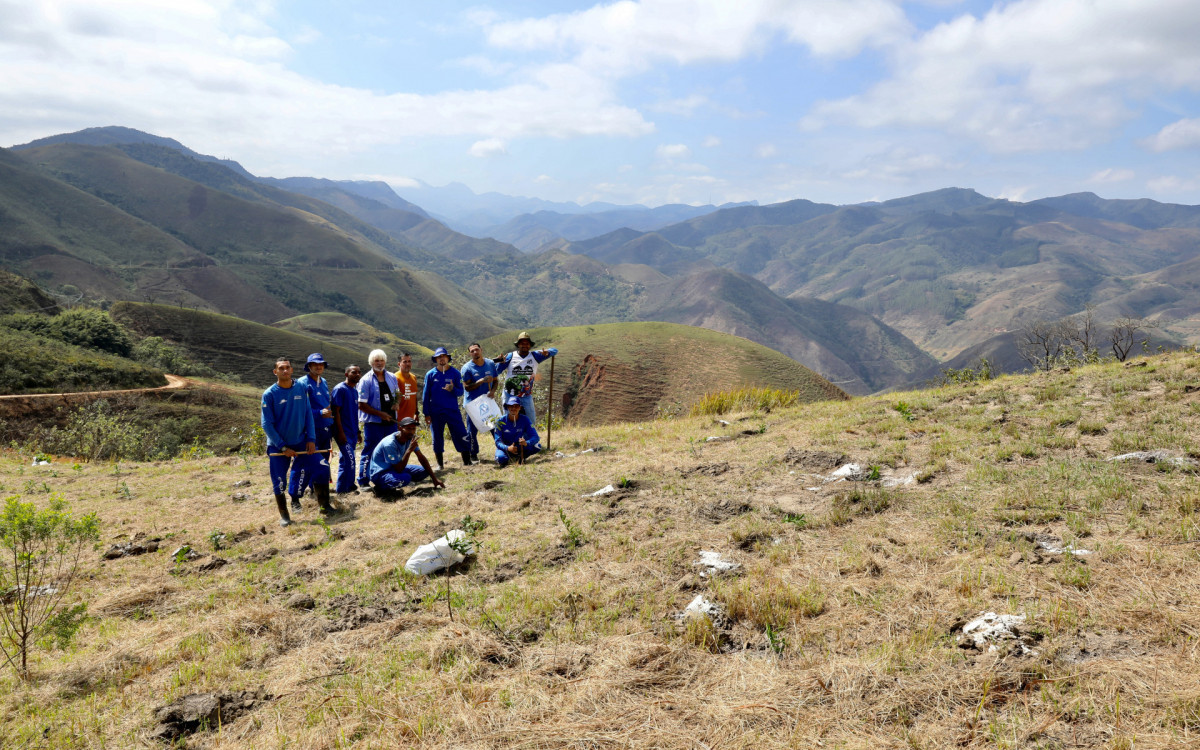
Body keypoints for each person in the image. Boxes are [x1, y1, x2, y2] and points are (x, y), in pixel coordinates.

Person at [260, 358, 324, 526]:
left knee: (321, 466)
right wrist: (282, 446)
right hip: (278, 445)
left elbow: (308, 414)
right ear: (275, 372)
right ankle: (285, 516)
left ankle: (324, 506)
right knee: (279, 480)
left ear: (292, 369)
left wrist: (311, 439)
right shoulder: (270, 394)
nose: (285, 371)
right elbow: (266, 423)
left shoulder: (301, 388)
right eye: (281, 368)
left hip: (301, 441)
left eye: (287, 367)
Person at [293, 353, 335, 513]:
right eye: (315, 364)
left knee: (323, 462)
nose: (319, 367)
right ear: (309, 366)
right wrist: (318, 413)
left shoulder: (323, 382)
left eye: (321, 364)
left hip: (325, 429)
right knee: (304, 463)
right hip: (310, 431)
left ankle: (316, 491)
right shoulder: (303, 383)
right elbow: (300, 408)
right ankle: (295, 497)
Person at [368, 417, 445, 498]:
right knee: (405, 478)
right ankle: (382, 488)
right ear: (400, 428)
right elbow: (399, 469)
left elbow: (421, 457)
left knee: (425, 471)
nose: (411, 431)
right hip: (381, 473)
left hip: (394, 467)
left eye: (413, 428)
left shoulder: (409, 438)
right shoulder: (390, 444)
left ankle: (398, 481)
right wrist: (409, 451)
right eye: (408, 428)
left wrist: (434, 479)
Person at [423, 346, 473, 469]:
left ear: (447, 358)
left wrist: (453, 389)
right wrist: (426, 413)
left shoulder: (455, 373)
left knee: (461, 433)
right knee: (437, 437)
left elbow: (461, 392)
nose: (441, 359)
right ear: (436, 359)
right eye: (439, 357)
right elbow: (425, 395)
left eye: (443, 356)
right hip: (436, 412)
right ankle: (440, 465)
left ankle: (467, 461)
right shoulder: (430, 374)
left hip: (452, 410)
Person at [357, 349, 399, 488]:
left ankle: (389, 477)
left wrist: (396, 403)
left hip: (391, 421)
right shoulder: (366, 380)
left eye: (381, 360)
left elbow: (397, 393)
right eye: (376, 360)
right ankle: (363, 481)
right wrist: (381, 414)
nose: (379, 363)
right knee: (370, 450)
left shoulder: (392, 377)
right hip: (374, 423)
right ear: (371, 362)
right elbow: (361, 405)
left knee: (391, 449)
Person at [494, 332, 557, 424]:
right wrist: (501, 363)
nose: (524, 345)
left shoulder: (535, 356)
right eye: (522, 343)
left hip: (526, 395)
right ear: (518, 344)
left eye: (527, 343)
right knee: (508, 421)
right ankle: (509, 438)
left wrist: (548, 352)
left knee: (531, 421)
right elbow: (497, 371)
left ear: (530, 345)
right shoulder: (511, 356)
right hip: (509, 394)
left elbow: (555, 350)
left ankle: (529, 438)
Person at [460, 341, 499, 463]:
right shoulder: (467, 368)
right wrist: (481, 381)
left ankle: (501, 450)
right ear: (470, 354)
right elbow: (467, 387)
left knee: (495, 427)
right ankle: (473, 454)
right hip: (473, 403)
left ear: (481, 350)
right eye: (472, 351)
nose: (475, 352)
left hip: (487, 401)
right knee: (472, 431)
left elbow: (496, 380)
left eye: (476, 349)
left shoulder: (490, 364)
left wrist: (492, 391)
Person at [330, 364, 362, 495]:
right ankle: (342, 490)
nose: (357, 374)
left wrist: (358, 432)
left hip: (353, 431)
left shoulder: (354, 390)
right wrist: (340, 433)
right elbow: (335, 412)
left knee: (350, 458)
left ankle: (350, 484)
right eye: (354, 372)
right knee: (348, 459)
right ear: (346, 374)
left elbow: (354, 413)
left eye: (359, 372)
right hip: (343, 432)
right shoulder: (340, 389)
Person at [493, 395, 541, 467]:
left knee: (537, 446)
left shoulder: (525, 419)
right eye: (511, 406)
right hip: (505, 448)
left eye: (516, 406)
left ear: (520, 408)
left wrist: (526, 443)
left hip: (519, 446)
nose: (513, 408)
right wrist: (508, 448)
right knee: (500, 458)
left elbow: (536, 437)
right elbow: (497, 442)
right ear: (508, 407)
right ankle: (508, 457)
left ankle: (521, 457)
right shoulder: (500, 421)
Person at [395, 351, 421, 424]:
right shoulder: (395, 378)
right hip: (399, 421)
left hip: (411, 420)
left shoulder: (413, 377)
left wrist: (416, 413)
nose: (407, 364)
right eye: (405, 362)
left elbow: (414, 397)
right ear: (399, 364)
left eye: (409, 361)